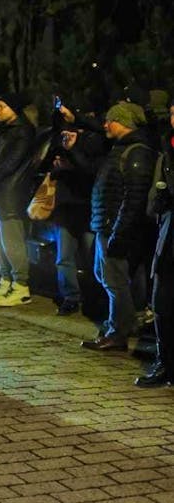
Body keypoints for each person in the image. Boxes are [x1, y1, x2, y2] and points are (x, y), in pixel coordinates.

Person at [81, 102, 158, 351]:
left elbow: (134, 198)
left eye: (110, 120)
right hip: (108, 224)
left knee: (115, 280)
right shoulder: (122, 149)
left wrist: (119, 232)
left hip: (114, 226)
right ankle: (121, 324)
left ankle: (118, 332)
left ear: (123, 121)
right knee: (107, 276)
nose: (105, 124)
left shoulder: (136, 152)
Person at [47, 105, 107, 316]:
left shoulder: (95, 140)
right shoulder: (61, 138)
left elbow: (91, 170)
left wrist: (73, 151)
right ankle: (70, 297)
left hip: (87, 205)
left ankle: (95, 297)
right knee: (64, 257)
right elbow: (47, 165)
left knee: (92, 257)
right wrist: (57, 165)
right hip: (66, 206)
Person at [0, 92, 36, 306]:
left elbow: (10, 164)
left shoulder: (22, 131)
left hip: (10, 194)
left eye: (1, 106)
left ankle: (20, 286)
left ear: (14, 109)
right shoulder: (3, 130)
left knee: (11, 242)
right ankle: (6, 281)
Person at [136, 99, 174, 386]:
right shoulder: (166, 149)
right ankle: (166, 364)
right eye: (172, 113)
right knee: (162, 301)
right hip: (169, 234)